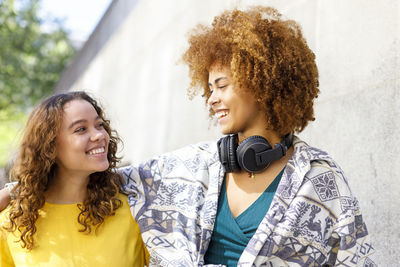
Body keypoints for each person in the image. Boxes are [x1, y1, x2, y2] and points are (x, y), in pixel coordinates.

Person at [1, 6, 376, 267]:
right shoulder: (193, 166)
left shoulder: (321, 181)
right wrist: (24, 187)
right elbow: (96, 174)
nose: (211, 98)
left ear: (262, 82)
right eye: (208, 88)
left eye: (221, 85)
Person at [0, 91, 148, 266]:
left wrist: (13, 189)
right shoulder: (12, 222)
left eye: (99, 125)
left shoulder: (136, 210)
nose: (99, 135)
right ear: (50, 146)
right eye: (81, 129)